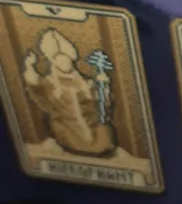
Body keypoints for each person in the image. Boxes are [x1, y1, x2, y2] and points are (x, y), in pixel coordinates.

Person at [22, 28, 116, 157]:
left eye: (67, 60)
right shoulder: (50, 84)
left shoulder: (86, 83)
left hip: (92, 126)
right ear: (54, 63)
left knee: (103, 139)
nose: (65, 63)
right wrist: (30, 67)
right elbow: (36, 91)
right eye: (61, 60)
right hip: (68, 129)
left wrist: (104, 87)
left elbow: (103, 104)